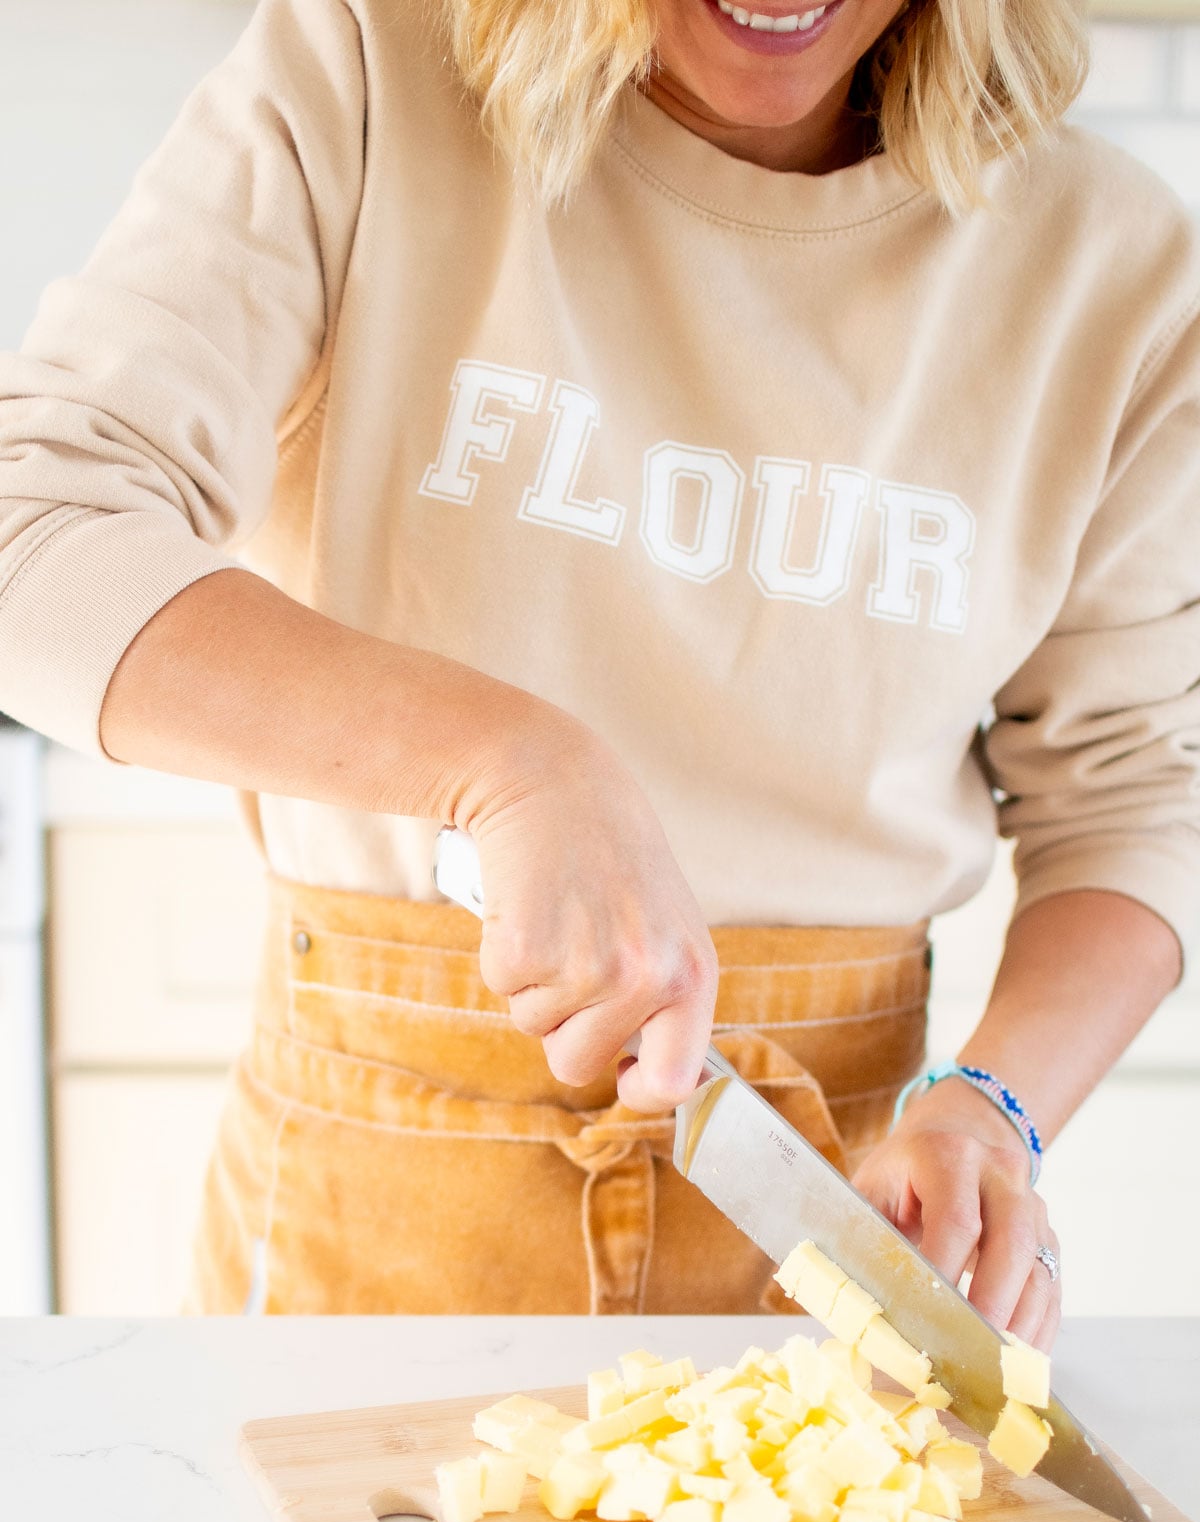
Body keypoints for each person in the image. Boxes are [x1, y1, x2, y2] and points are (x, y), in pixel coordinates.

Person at [0, 0, 1195, 1337]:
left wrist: (995, 1108)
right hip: (377, 1201)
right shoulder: (365, 73)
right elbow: (32, 528)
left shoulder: (1115, 265)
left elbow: (1138, 799)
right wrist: (505, 766)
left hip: (841, 1218)